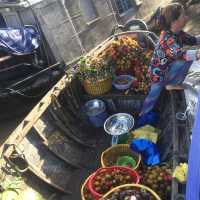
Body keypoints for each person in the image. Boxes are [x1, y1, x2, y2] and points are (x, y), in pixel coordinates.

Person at [140, 3, 200, 116]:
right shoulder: (167, 39)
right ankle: (142, 116)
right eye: (183, 15)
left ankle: (171, 84)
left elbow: (193, 40)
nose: (186, 17)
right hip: (158, 76)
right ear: (174, 21)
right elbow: (180, 54)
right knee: (152, 99)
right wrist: (197, 54)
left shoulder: (178, 33)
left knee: (189, 57)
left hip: (167, 69)